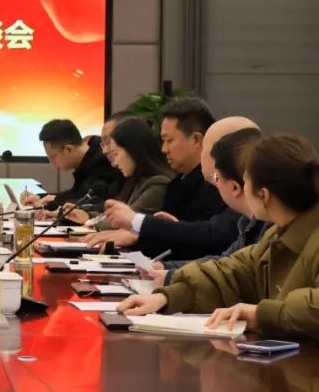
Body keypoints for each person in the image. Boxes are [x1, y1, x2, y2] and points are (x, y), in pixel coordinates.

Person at [119, 134, 319, 341]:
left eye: (246, 181)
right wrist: (168, 297)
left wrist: (262, 315)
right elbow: (234, 272)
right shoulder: (277, 233)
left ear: (263, 195)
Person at [84, 117, 257, 258]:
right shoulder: (180, 183)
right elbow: (207, 250)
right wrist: (165, 267)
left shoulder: (249, 212)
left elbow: (214, 237)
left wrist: (137, 222)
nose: (164, 149)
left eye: (169, 140)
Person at [155, 126, 270, 284]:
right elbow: (225, 262)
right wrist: (167, 268)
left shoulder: (271, 227)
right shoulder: (249, 221)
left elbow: (237, 274)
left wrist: (172, 275)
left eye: (217, 177)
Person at [97, 99, 222, 234]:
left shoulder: (216, 186)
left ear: (196, 139)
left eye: (169, 140)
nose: (164, 149)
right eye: (163, 141)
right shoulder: (176, 184)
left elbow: (211, 237)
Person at [75, 117, 172, 229]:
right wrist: (88, 215)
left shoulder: (157, 184)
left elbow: (124, 220)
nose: (115, 163)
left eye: (116, 154)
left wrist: (89, 221)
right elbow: (113, 216)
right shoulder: (134, 181)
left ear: (133, 150)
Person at [21, 118, 117, 210]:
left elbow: (91, 200)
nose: (51, 163)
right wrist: (40, 197)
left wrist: (55, 201)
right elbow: (76, 193)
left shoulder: (101, 160)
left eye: (52, 157)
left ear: (68, 149)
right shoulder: (88, 153)